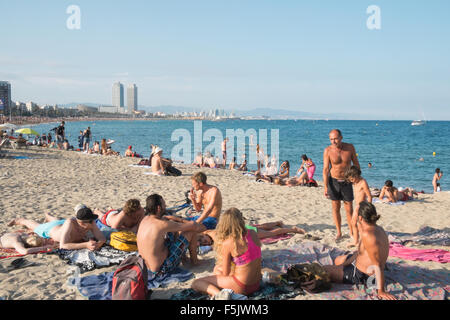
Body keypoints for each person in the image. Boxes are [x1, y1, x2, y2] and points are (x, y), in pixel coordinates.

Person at [322, 201, 396, 300]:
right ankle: (343, 266)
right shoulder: (376, 228)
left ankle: (344, 271)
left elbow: (377, 265)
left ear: (360, 218)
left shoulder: (368, 235)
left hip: (362, 274)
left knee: (324, 270)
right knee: (338, 260)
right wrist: (345, 263)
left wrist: (381, 290)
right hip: (358, 261)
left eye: (356, 213)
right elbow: (353, 224)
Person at [191, 208, 262, 299]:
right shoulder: (252, 233)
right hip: (256, 284)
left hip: (242, 286)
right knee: (217, 269)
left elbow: (225, 273)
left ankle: (222, 295)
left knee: (197, 283)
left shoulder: (229, 242)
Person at [137, 194, 206, 277]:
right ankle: (195, 262)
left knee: (171, 232)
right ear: (159, 208)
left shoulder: (145, 219)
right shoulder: (162, 224)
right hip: (161, 270)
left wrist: (170, 219)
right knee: (191, 232)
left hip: (145, 267)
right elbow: (193, 226)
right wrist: (179, 219)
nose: (165, 205)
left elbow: (164, 224)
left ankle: (184, 259)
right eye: (164, 204)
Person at [8, 207, 106, 251]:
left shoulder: (91, 222)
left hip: (60, 225)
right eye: (90, 221)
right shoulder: (71, 223)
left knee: (56, 220)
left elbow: (101, 238)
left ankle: (48, 216)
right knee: (34, 225)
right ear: (81, 223)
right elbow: (63, 246)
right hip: (50, 230)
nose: (92, 223)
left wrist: (99, 244)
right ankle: (19, 220)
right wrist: (85, 245)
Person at [323, 129, 360, 241]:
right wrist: (325, 186)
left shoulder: (350, 148)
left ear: (341, 137)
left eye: (335, 138)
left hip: (347, 181)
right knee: (336, 208)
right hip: (333, 181)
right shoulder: (328, 150)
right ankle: (339, 232)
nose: (333, 141)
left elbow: (356, 164)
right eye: (331, 139)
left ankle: (351, 231)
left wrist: (357, 180)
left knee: (349, 209)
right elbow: (325, 169)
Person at [197, 220, 305, 246]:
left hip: (245, 232)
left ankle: (293, 230)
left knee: (271, 233)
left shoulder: (214, 237)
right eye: (203, 243)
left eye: (203, 240)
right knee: (262, 226)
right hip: (241, 227)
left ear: (203, 236)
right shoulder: (208, 231)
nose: (205, 243)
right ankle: (277, 222)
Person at [345, 166, 372, 247]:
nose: (351, 181)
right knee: (356, 224)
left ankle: (358, 241)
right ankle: (358, 240)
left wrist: (369, 208)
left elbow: (369, 196)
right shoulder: (355, 182)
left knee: (357, 223)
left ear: (356, 175)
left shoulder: (363, 182)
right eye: (350, 180)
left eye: (352, 179)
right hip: (357, 205)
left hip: (362, 206)